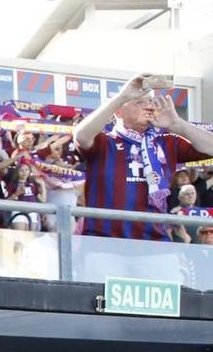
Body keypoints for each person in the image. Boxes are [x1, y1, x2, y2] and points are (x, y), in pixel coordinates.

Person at [72, 73, 213, 252]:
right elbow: (81, 135)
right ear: (118, 111)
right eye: (139, 102)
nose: (148, 106)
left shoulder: (167, 142)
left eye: (151, 101)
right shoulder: (105, 142)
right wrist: (122, 96)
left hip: (155, 244)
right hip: (104, 244)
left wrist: (178, 124)